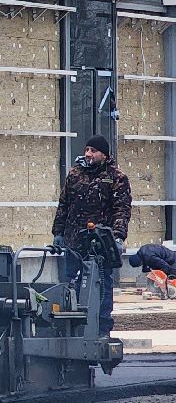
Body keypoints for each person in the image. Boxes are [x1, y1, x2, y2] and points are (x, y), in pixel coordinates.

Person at [51, 134, 131, 334]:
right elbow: (64, 205)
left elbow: (122, 209)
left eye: (93, 151)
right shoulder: (75, 174)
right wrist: (58, 232)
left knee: (102, 285)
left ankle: (102, 328)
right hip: (74, 242)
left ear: (103, 155)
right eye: (86, 150)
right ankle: (72, 327)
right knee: (70, 283)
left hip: (100, 244)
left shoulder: (116, 177)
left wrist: (118, 236)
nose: (88, 154)